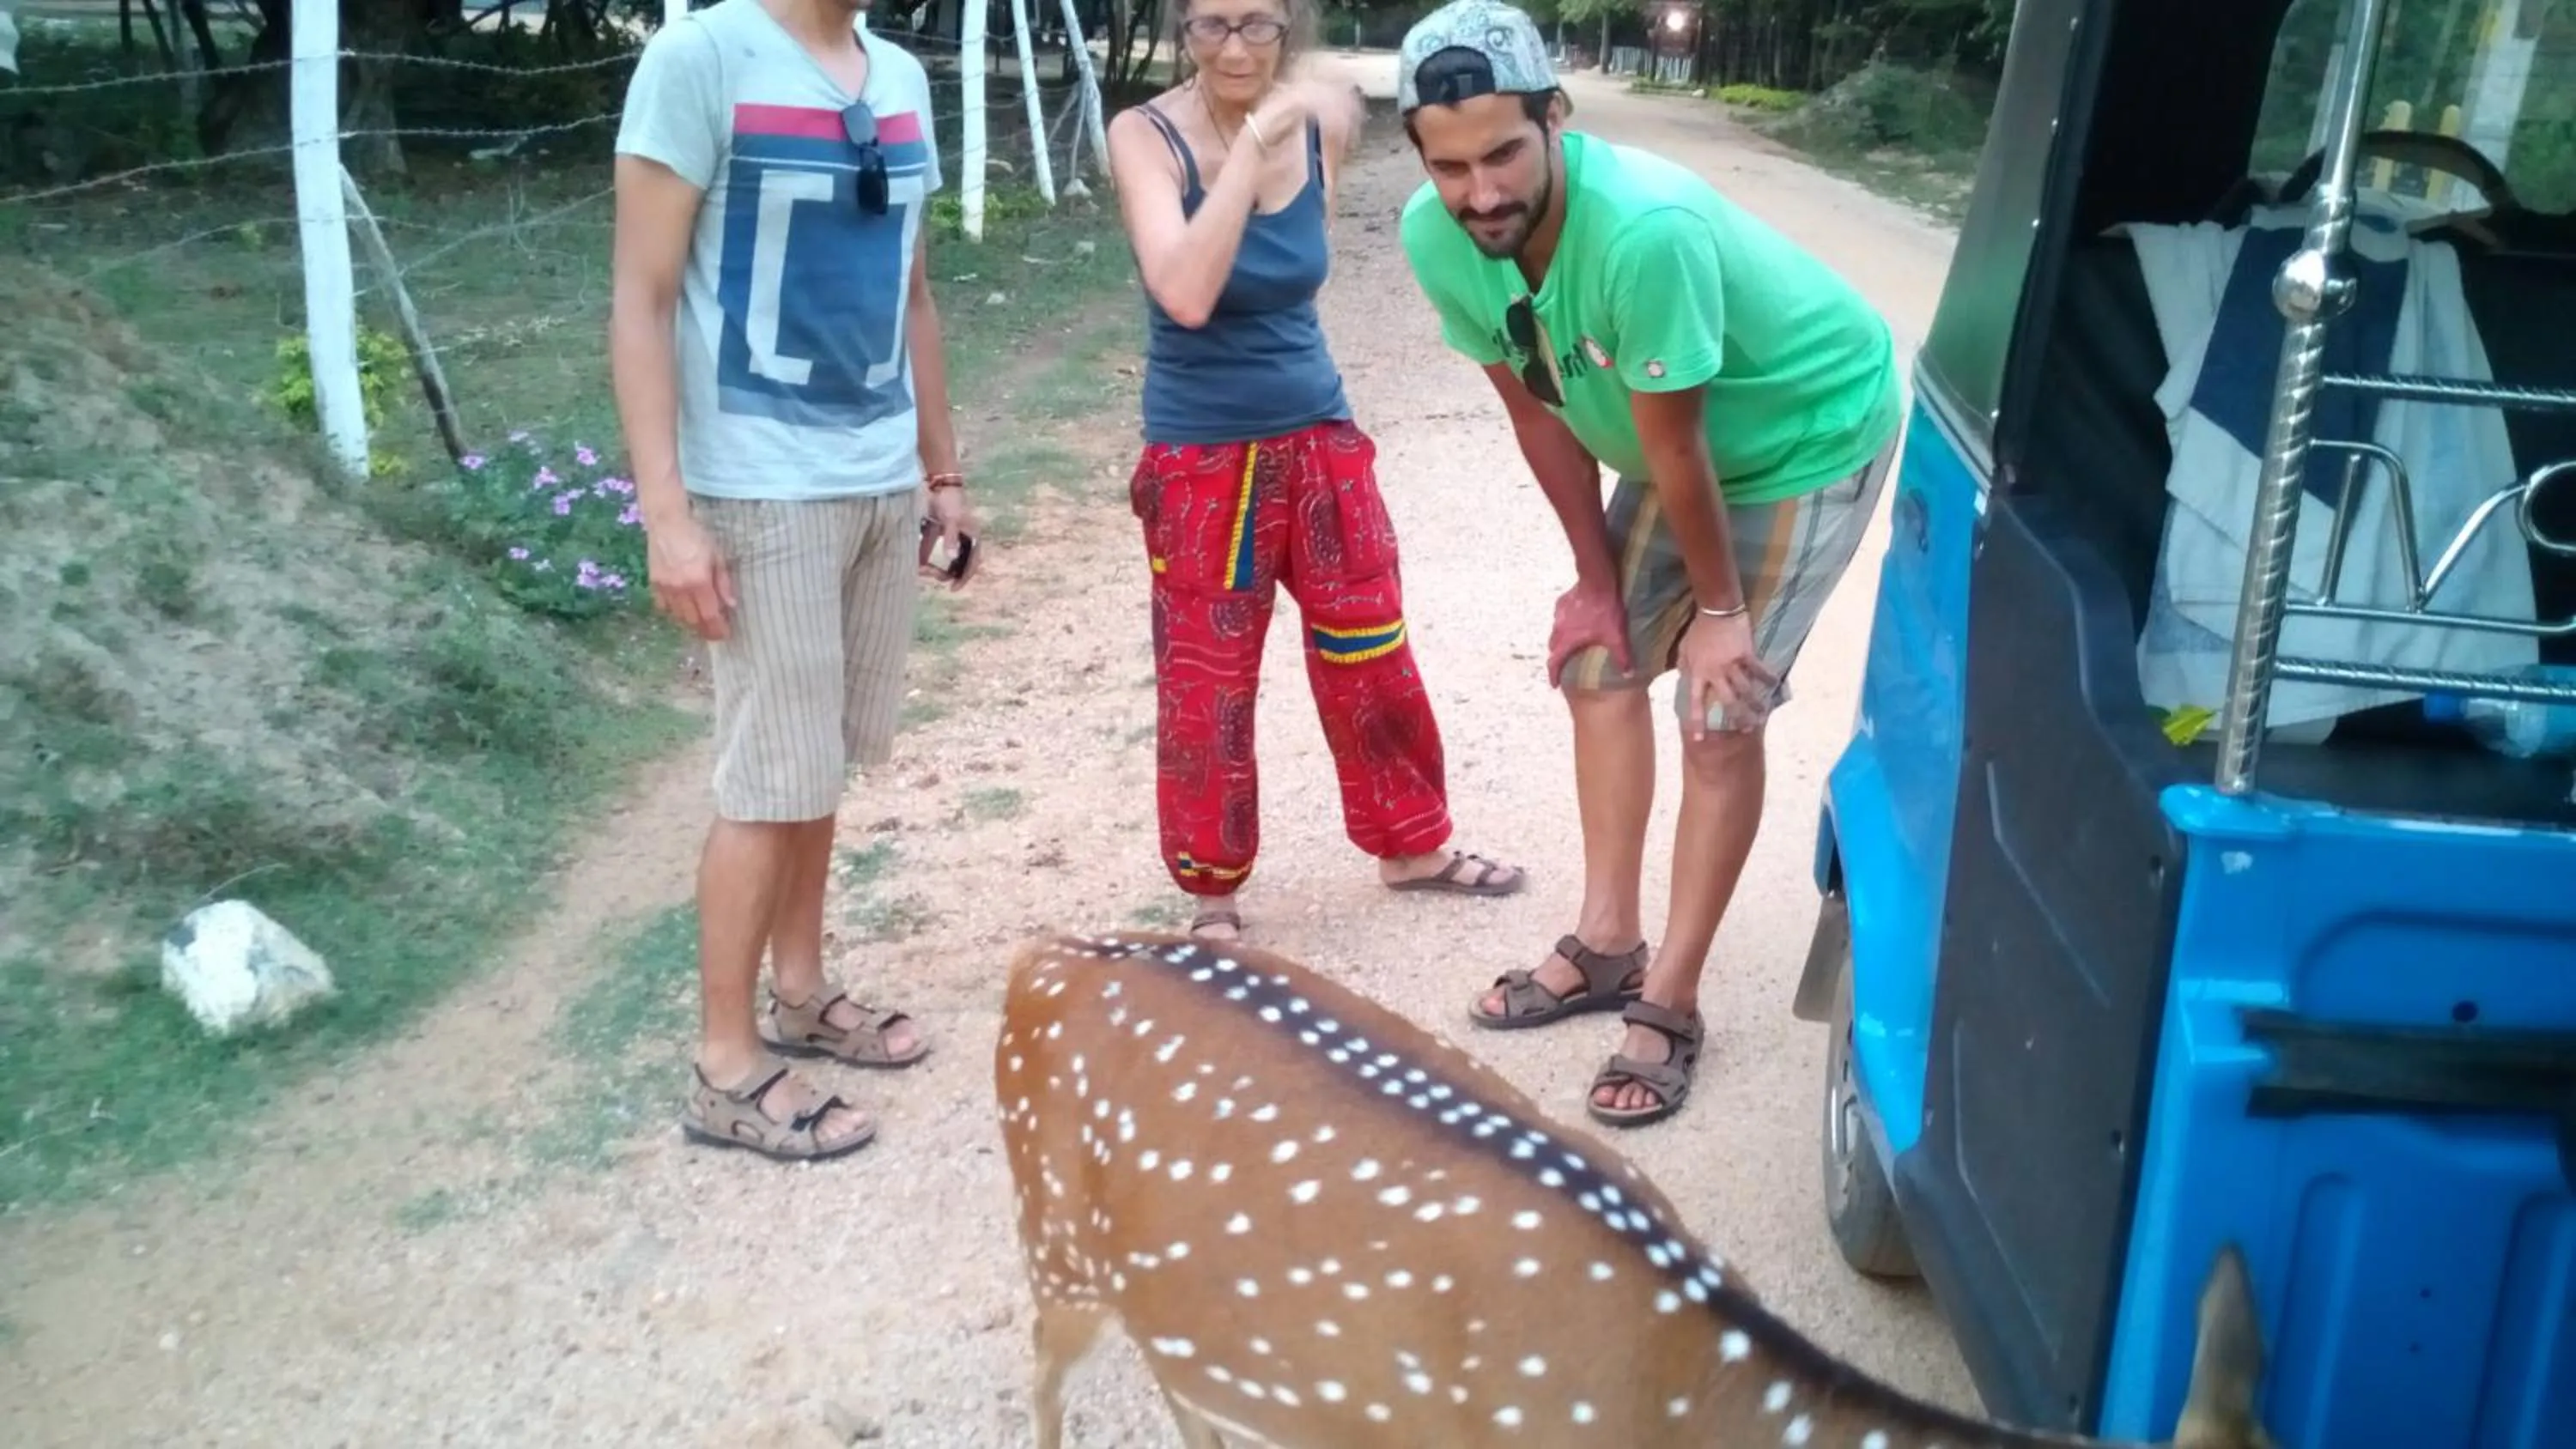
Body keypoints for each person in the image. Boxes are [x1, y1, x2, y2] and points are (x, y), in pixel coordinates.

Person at [1393, 0, 1904, 1128]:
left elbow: (1676, 446)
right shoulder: (1438, 238)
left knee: (1720, 710)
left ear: (1557, 119)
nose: (1482, 194)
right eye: (1451, 167)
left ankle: (1670, 997)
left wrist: (1720, 611)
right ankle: (1611, 942)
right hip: (1686, 451)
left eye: (1505, 155)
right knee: (1595, 666)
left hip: (1803, 434)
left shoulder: (1643, 231)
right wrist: (1590, 581)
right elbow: (1539, 410)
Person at [610, 0, 975, 1162]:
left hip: (876, 476)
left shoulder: (902, 77)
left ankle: (804, 995)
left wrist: (942, 471)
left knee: (819, 761)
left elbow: (914, 292)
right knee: (767, 777)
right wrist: (668, 516)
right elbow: (642, 296)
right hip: (758, 485)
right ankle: (724, 1064)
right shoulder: (701, 57)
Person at [1106, 0, 1528, 939]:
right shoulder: (1144, 137)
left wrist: (1291, 129)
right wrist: (1254, 149)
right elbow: (1183, 290)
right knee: (1208, 677)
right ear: (1181, 26)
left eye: (1257, 25)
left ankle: (1411, 841)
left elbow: (1301, 272)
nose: (1234, 47)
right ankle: (1211, 888)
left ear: (1287, 23)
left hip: (1321, 436)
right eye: (1211, 26)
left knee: (1370, 649)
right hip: (1200, 452)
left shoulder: (1312, 129)